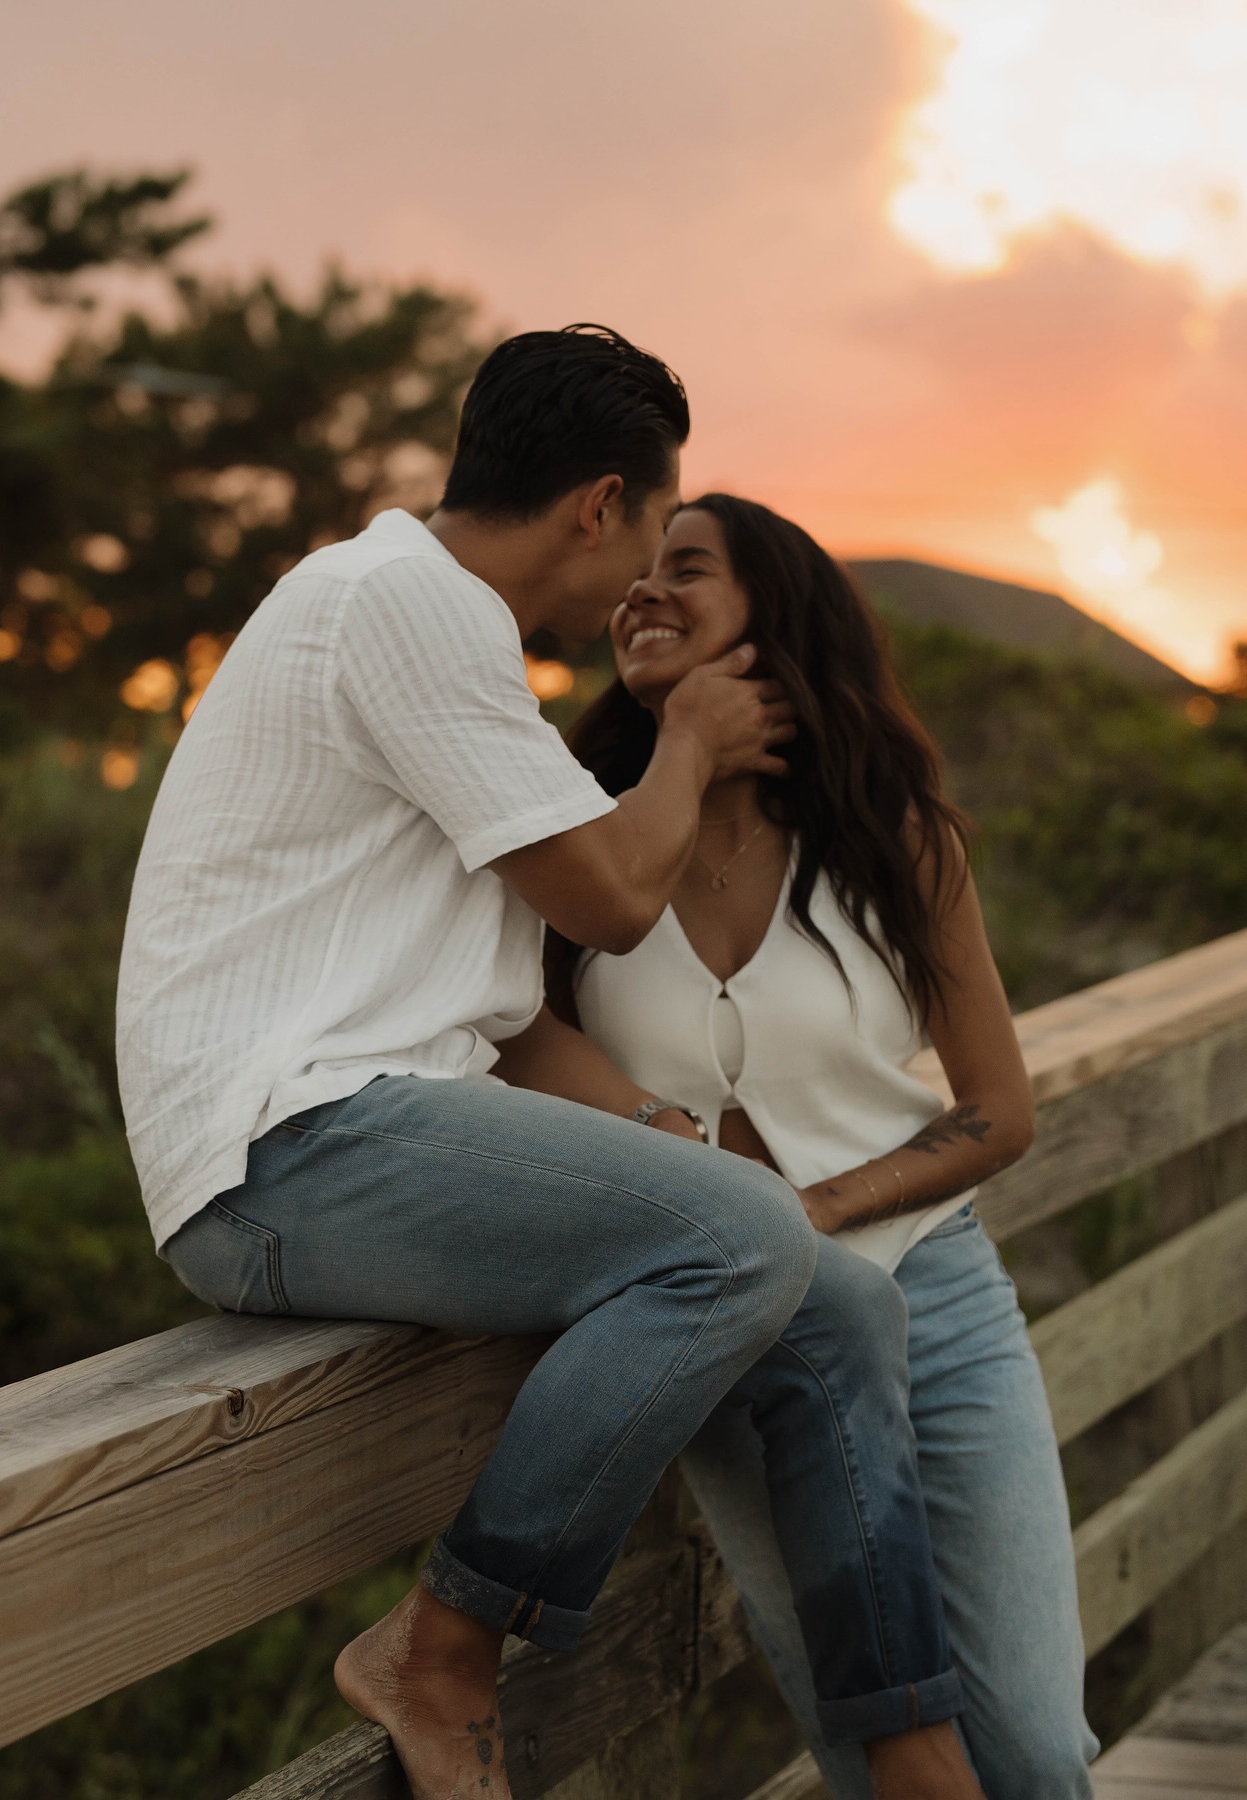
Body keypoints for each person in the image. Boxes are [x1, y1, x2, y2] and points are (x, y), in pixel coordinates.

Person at [118, 327, 983, 1800]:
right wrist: (692, 747)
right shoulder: (404, 602)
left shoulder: (451, 658)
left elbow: (509, 1019)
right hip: (275, 1153)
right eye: (653, 524)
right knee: (743, 1243)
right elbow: (608, 896)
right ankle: (445, 1644)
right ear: (599, 503)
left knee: (833, 1304)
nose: (647, 569)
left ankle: (911, 1755)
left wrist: (662, 1134)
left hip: (378, 1137)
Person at [494, 493, 1099, 1800]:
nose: (641, 593)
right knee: (869, 1748)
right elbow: (509, 1033)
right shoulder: (568, 835)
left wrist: (810, 1213)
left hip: (929, 1294)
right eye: (634, 576)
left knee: (1038, 1752)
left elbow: (1000, 1108)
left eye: (686, 571)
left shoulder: (892, 839)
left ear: (775, 616)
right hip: (741, 1338)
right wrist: (674, 1157)